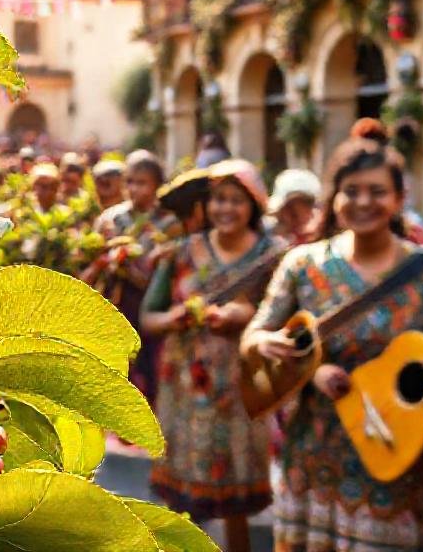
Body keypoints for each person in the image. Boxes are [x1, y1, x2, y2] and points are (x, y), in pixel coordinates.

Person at [245, 121, 423, 550]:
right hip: (315, 456)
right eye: (352, 190)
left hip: (400, 456)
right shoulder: (302, 264)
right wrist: (283, 354)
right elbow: (255, 333)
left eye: (378, 192)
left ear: (400, 200)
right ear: (333, 199)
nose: (364, 201)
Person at [142, 159, 280, 552]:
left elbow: (291, 317)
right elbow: (149, 317)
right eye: (218, 199)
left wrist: (246, 316)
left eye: (237, 200)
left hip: (239, 385)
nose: (226, 209)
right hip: (184, 384)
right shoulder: (182, 252)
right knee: (181, 484)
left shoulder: (272, 256)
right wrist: (176, 316)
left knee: (234, 493)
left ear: (253, 205)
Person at [81, 151, 181, 400]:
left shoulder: (169, 222)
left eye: (142, 183)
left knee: (151, 367)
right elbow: (93, 255)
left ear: (157, 185)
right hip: (117, 301)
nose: (134, 189)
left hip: (152, 303)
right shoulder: (112, 219)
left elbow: (172, 269)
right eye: (130, 182)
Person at [266, 168, 321, 245]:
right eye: (280, 212)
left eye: (294, 214)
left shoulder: (320, 244)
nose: (286, 218)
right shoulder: (268, 237)